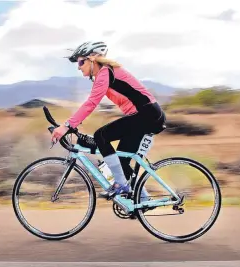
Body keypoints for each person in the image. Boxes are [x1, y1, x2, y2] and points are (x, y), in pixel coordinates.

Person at [51, 41, 166, 200]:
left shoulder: (106, 72)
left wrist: (67, 125)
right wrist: (74, 123)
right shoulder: (105, 74)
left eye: (81, 62)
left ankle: (120, 184)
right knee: (121, 162)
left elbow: (91, 103)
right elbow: (92, 105)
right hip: (145, 116)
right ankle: (143, 199)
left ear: (92, 58)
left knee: (101, 136)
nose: (78, 66)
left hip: (146, 115)